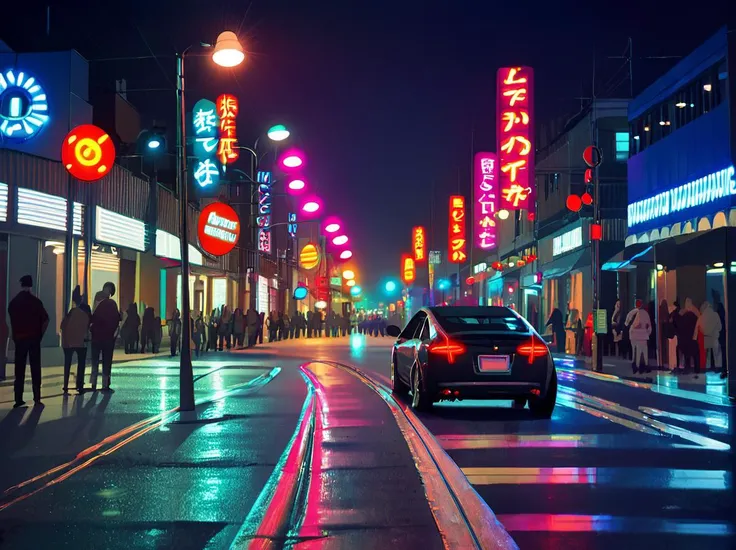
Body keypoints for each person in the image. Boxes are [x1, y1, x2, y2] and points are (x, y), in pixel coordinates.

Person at [8, 275, 49, 407]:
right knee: (35, 367)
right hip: (34, 339)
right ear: (31, 286)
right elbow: (46, 319)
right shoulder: (36, 302)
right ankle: (37, 396)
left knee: (19, 369)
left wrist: (15, 335)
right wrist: (40, 335)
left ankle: (18, 398)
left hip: (20, 339)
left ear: (21, 285)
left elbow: (11, 321)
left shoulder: (14, 302)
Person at [89, 282, 120, 391]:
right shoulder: (111, 303)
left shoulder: (96, 302)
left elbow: (93, 318)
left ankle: (93, 383)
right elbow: (116, 319)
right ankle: (105, 384)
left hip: (97, 336)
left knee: (95, 360)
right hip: (107, 337)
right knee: (107, 361)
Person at [60, 298, 90, 394]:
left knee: (67, 363)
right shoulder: (85, 315)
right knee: (81, 364)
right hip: (81, 342)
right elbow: (87, 329)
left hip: (67, 342)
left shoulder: (71, 313)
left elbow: (62, 326)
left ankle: (65, 386)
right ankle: (80, 385)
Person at [625, 299, 652, 374]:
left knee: (635, 350)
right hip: (644, 335)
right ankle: (644, 365)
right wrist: (647, 333)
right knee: (644, 351)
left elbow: (626, 324)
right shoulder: (645, 313)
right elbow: (649, 326)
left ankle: (635, 365)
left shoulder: (632, 313)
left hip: (633, 335)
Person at [696, 301, 722, 373]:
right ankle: (717, 368)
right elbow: (720, 327)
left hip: (706, 338)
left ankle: (707, 368)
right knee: (716, 354)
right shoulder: (715, 315)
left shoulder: (702, 317)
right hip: (714, 338)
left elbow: (698, 327)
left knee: (707, 355)